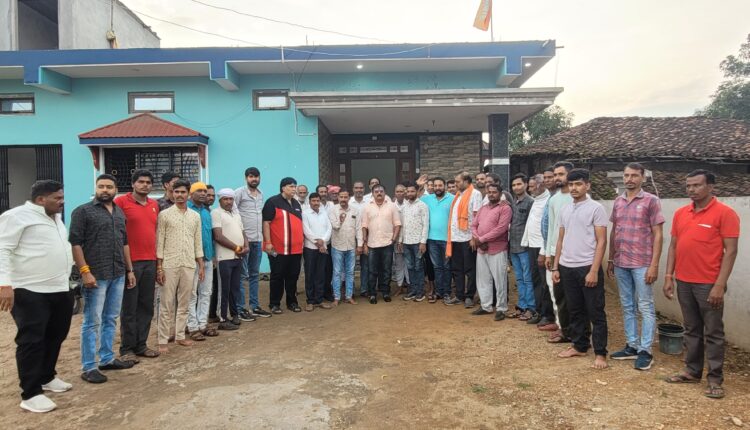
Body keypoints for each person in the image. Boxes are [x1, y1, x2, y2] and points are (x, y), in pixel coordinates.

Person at [663, 170, 739, 399]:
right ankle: (692, 371)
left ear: (711, 187)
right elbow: (674, 246)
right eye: (688, 186)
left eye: (697, 185)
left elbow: (731, 251)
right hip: (684, 281)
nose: (691, 190)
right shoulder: (681, 213)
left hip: (708, 283)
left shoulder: (725, 213)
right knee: (691, 329)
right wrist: (669, 276)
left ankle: (715, 380)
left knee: (713, 332)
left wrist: (719, 285)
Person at [0, 181, 73, 413]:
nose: (62, 201)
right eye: (57, 198)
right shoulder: (16, 216)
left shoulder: (55, 218)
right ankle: (30, 393)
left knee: (56, 334)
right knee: (31, 340)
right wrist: (4, 284)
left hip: (59, 287)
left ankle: (47, 377)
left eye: (62, 197)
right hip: (29, 290)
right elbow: (2, 249)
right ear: (41, 199)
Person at [70, 174, 136, 384]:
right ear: (96, 188)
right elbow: (76, 244)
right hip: (95, 275)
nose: (105, 190)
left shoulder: (119, 212)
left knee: (111, 318)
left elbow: (124, 243)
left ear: (116, 189)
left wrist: (129, 270)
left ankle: (107, 358)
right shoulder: (83, 211)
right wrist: (85, 271)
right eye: (101, 186)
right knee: (92, 321)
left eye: (109, 186)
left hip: (118, 273)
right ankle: (89, 366)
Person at [607, 163, 665, 370]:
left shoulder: (651, 200)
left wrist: (654, 265)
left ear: (643, 178)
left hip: (642, 263)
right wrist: (611, 259)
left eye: (634, 175)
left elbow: (658, 234)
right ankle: (632, 345)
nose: (629, 179)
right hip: (621, 262)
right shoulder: (618, 201)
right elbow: (614, 231)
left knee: (645, 306)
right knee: (627, 305)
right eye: (626, 175)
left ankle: (645, 350)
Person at [552, 168, 609, 370]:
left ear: (587, 186)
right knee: (575, 309)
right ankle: (579, 346)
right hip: (567, 266)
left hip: (587, 266)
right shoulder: (565, 209)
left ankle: (600, 353)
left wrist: (594, 270)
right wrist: (556, 267)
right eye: (571, 184)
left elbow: (602, 241)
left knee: (595, 311)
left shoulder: (596, 208)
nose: (574, 188)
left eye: (578, 184)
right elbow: (560, 239)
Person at [114, 170, 161, 362]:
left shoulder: (154, 205)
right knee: (129, 307)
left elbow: (155, 232)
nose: (145, 185)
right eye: (141, 182)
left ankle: (141, 345)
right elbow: (117, 232)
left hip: (150, 261)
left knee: (146, 306)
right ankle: (127, 349)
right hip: (130, 263)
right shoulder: (121, 202)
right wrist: (127, 268)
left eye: (148, 182)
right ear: (133, 184)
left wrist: (158, 264)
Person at [156, 179, 205, 353]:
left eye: (183, 192)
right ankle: (162, 339)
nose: (179, 195)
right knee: (166, 303)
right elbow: (160, 241)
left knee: (185, 301)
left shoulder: (195, 216)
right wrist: (159, 267)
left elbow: (197, 241)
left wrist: (201, 265)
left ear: (188, 194)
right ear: (172, 193)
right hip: (169, 264)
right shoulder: (164, 215)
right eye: (176, 192)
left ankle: (180, 336)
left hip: (189, 263)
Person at [234, 167, 272, 320]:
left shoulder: (261, 194)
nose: (254, 179)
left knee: (255, 274)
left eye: (256, 176)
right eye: (251, 176)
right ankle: (240, 308)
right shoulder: (239, 193)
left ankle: (254, 306)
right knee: (242, 275)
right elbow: (233, 213)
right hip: (244, 241)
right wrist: (240, 237)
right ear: (246, 178)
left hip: (257, 240)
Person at [263, 177, 304, 314]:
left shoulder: (296, 203)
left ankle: (292, 302)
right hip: (278, 249)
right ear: (283, 188)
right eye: (291, 186)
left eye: (295, 186)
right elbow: (266, 223)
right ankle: (274, 304)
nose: (294, 189)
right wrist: (268, 242)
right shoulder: (272, 202)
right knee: (277, 276)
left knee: (293, 276)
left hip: (295, 250)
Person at [543, 161, 575, 343]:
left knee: (573, 294)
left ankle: (577, 330)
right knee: (557, 293)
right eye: (555, 174)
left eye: (560, 174)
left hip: (572, 252)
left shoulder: (577, 198)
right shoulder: (554, 200)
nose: (557, 178)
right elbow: (551, 229)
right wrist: (548, 253)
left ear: (569, 175)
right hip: (555, 252)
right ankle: (563, 328)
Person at [471, 183, 512, 319]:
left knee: (500, 280)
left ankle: (501, 308)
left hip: (497, 249)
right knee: (483, 279)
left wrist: (481, 239)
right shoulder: (483, 208)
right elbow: (474, 225)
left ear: (500, 193)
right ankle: (486, 306)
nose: (491, 194)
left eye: (494, 192)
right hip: (481, 249)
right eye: (489, 192)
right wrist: (478, 240)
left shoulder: (505, 208)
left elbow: (501, 229)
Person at [211, 189, 248, 331]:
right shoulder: (216, 213)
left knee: (235, 288)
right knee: (224, 289)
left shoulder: (236, 214)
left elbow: (243, 232)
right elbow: (218, 236)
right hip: (224, 258)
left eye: (231, 199)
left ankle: (234, 314)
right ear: (220, 200)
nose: (228, 202)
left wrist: (246, 246)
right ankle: (223, 318)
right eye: (225, 199)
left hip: (238, 257)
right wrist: (237, 248)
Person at [187, 182, 218, 341]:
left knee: (206, 292)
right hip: (191, 259)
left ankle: (203, 324)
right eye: (199, 191)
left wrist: (213, 256)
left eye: (205, 191)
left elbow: (210, 236)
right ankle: (192, 327)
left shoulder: (206, 212)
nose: (203, 194)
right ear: (191, 193)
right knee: (191, 294)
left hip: (207, 258)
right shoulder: (186, 210)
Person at [520, 174, 553, 326]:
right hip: (531, 246)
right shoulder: (536, 200)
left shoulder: (548, 200)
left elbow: (548, 228)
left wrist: (543, 252)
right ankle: (539, 311)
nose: (530, 189)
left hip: (542, 248)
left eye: (532, 186)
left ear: (541, 185)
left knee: (545, 283)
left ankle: (547, 315)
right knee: (536, 281)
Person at [446, 172, 482, 308]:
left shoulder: (475, 194)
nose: (455, 184)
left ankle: (469, 296)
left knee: (470, 269)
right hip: (455, 238)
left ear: (466, 181)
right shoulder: (457, 196)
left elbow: (477, 217)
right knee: (457, 269)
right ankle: (459, 295)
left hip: (468, 238)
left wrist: (474, 237)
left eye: (458, 181)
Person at [362, 184, 402, 304]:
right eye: (376, 191)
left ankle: (385, 292)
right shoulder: (367, 207)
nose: (379, 193)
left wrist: (393, 239)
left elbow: (397, 224)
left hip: (387, 243)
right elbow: (364, 226)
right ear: (372, 193)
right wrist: (364, 243)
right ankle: (372, 294)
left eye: (381, 191)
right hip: (372, 244)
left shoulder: (392, 206)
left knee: (386, 269)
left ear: (385, 192)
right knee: (372, 270)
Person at [419, 177, 454, 304]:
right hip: (432, 239)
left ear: (445, 186)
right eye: (435, 186)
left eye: (440, 185)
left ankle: (447, 293)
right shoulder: (428, 199)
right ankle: (439, 292)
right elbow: (415, 199)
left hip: (447, 240)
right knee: (437, 267)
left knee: (447, 266)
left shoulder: (452, 198)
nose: (438, 188)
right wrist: (420, 186)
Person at [509, 173, 536, 320]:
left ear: (525, 185)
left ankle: (531, 308)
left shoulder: (531, 202)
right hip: (513, 246)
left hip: (525, 247)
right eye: (514, 185)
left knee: (528, 278)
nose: (516, 187)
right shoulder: (513, 202)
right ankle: (521, 305)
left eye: (519, 184)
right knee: (519, 278)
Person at [329, 189, 362, 306]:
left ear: (349, 198)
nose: (343, 199)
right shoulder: (333, 210)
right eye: (341, 197)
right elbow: (335, 226)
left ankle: (349, 296)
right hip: (337, 246)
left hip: (351, 246)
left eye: (345, 197)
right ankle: (336, 297)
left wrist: (360, 245)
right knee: (337, 272)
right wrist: (341, 220)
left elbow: (358, 228)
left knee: (350, 272)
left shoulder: (355, 210)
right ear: (338, 198)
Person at [399, 182, 429, 301]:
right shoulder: (404, 206)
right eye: (408, 191)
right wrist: (400, 240)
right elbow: (402, 225)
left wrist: (423, 242)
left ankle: (420, 292)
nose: (410, 193)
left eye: (412, 191)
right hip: (406, 242)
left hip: (418, 243)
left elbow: (426, 225)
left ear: (417, 192)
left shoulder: (422, 205)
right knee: (410, 267)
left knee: (418, 267)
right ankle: (413, 290)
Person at [302, 192, 333, 311]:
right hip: (310, 248)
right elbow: (306, 230)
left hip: (323, 247)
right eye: (313, 201)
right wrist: (318, 242)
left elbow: (329, 228)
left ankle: (319, 300)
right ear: (309, 202)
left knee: (321, 274)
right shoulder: (305, 214)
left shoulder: (324, 213)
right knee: (310, 274)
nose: (316, 203)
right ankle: (310, 301)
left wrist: (323, 241)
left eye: (317, 201)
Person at [391, 184, 409, 293]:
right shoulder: (391, 206)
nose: (399, 193)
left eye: (401, 191)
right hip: (396, 239)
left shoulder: (409, 204)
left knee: (409, 263)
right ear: (395, 193)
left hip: (409, 239)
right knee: (398, 263)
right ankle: (399, 285)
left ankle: (410, 285)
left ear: (405, 192)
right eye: (397, 191)